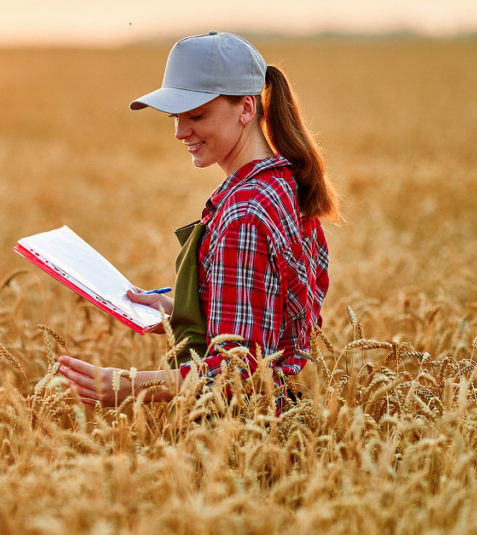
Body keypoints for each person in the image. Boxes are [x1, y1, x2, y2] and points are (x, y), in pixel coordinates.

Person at [58, 31, 340, 407]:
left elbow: (239, 371)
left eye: (198, 115)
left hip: (240, 437)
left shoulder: (244, 215)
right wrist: (182, 314)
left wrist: (127, 385)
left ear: (246, 108)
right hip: (273, 419)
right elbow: (275, 324)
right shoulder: (284, 186)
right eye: (176, 116)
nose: (180, 131)